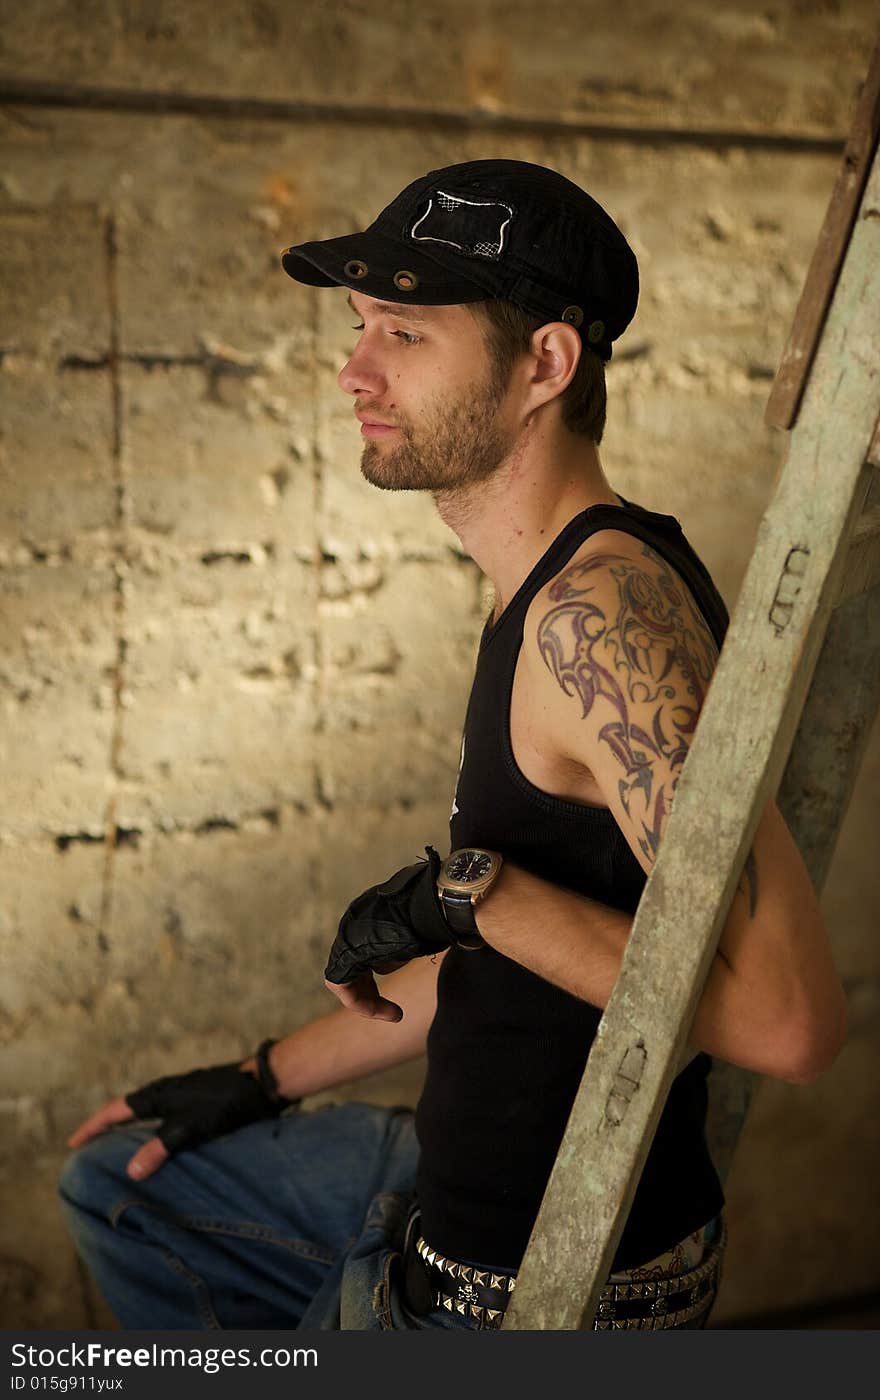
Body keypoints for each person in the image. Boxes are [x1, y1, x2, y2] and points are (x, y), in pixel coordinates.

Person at [59, 160, 847, 1332]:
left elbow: (788, 1021)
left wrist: (469, 890)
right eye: (362, 324)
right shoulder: (542, 588)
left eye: (408, 333)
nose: (354, 370)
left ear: (545, 363)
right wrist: (259, 1075)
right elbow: (533, 949)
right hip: (442, 1193)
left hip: (517, 1289)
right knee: (118, 1179)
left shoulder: (596, 619)